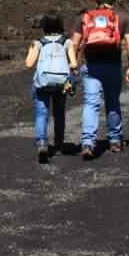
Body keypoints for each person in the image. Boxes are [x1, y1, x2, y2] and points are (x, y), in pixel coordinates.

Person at [71, 0, 129, 160]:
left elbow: (75, 44)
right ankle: (115, 141)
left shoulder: (85, 17)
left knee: (91, 104)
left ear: (96, 2)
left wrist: (74, 64)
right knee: (113, 103)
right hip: (113, 66)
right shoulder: (121, 17)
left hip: (91, 67)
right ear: (113, 3)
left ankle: (88, 143)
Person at [26, 12, 78, 164]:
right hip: (60, 83)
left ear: (45, 25)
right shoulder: (66, 42)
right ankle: (59, 143)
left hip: (42, 83)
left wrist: (31, 49)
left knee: (42, 113)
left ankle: (42, 144)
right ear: (60, 25)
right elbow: (74, 64)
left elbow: (29, 64)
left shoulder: (39, 42)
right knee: (59, 113)